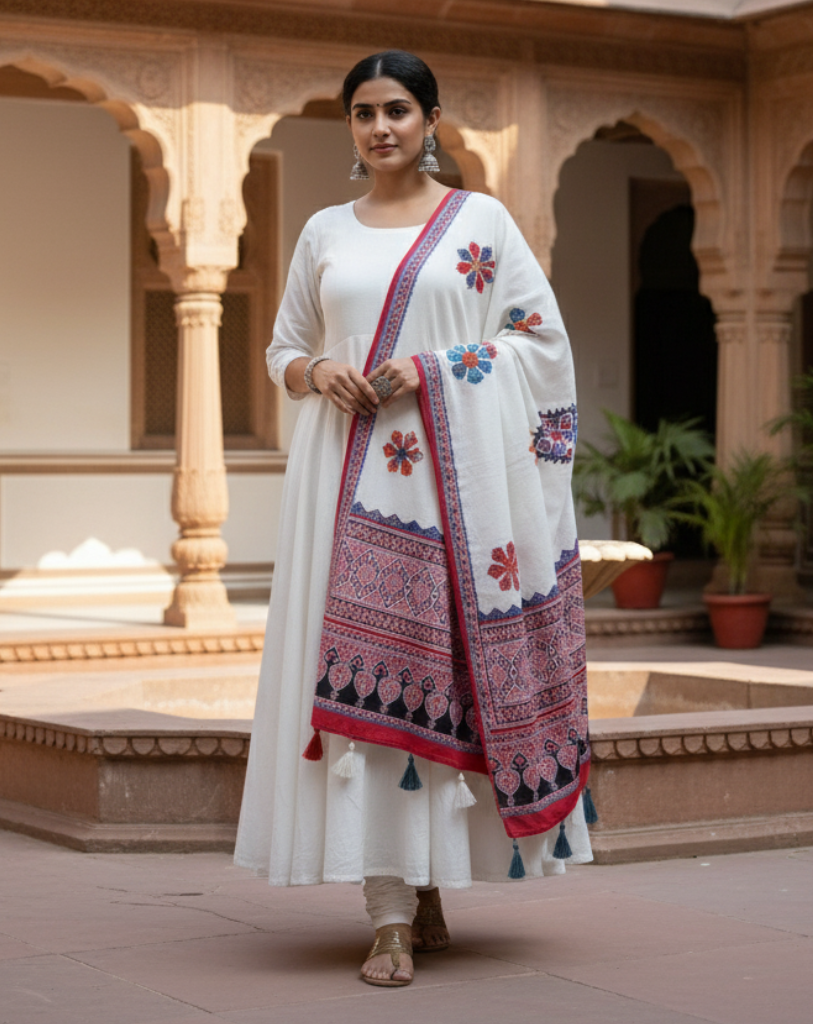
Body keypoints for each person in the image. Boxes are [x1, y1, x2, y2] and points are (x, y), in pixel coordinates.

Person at [234, 50, 593, 988]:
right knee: (363, 685)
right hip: (343, 485)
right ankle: (389, 911)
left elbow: (539, 344)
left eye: (397, 109)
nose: (380, 127)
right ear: (349, 127)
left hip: (455, 491)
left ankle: (431, 883)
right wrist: (319, 374)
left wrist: (433, 369)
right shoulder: (323, 231)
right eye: (362, 113)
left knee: (439, 673)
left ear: (432, 119)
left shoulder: (481, 223)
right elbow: (282, 348)